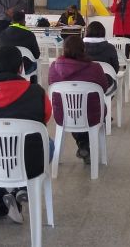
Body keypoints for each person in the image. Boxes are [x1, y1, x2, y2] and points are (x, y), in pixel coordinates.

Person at [0, 46, 53, 224]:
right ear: (21, 67)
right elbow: (46, 117)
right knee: (49, 144)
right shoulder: (36, 93)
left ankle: (10, 191)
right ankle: (20, 188)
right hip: (30, 163)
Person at [48, 36, 109, 166]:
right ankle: (85, 145)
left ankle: (83, 144)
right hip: (92, 114)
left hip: (63, 115)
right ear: (83, 49)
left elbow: (51, 86)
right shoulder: (95, 68)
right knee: (87, 109)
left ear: (64, 49)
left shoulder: (54, 67)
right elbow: (104, 88)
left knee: (73, 109)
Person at [0, 11, 40, 79]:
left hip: (7, 69)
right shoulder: (30, 34)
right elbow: (36, 55)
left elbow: (1, 54)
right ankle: (32, 86)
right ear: (24, 21)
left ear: (12, 21)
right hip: (26, 69)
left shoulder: (2, 34)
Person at [83, 21, 120, 92]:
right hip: (105, 86)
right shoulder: (110, 48)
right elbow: (115, 69)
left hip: (83, 85)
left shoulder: (79, 47)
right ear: (103, 32)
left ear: (87, 32)